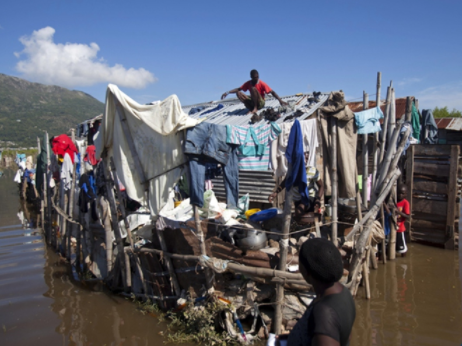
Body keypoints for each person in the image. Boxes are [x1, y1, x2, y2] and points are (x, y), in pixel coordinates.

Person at [278, 238, 356, 346]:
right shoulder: (343, 292)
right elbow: (343, 334)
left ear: (307, 272)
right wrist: (289, 338)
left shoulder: (324, 313)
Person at [268, 151, 324, 218]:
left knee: (299, 212)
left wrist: (318, 199)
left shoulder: (313, 171)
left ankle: (311, 220)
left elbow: (321, 186)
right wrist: (276, 192)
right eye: (304, 159)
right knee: (300, 217)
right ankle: (310, 221)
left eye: (307, 159)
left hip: (309, 197)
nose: (305, 161)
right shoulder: (293, 171)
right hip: (297, 199)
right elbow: (286, 181)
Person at [221, 69, 288, 115]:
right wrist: (227, 92)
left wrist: (280, 100)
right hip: (252, 101)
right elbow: (239, 89)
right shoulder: (248, 83)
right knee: (238, 93)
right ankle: (251, 108)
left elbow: (272, 92)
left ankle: (255, 108)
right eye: (254, 77)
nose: (256, 79)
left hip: (260, 102)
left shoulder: (262, 83)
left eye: (257, 77)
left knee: (253, 88)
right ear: (251, 77)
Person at [395, 185, 410, 256]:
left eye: (402, 193)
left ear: (405, 194)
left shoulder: (405, 203)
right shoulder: (394, 201)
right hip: (392, 228)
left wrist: (398, 212)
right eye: (399, 193)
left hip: (400, 228)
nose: (400, 195)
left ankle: (404, 260)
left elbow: (407, 216)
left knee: (402, 248)